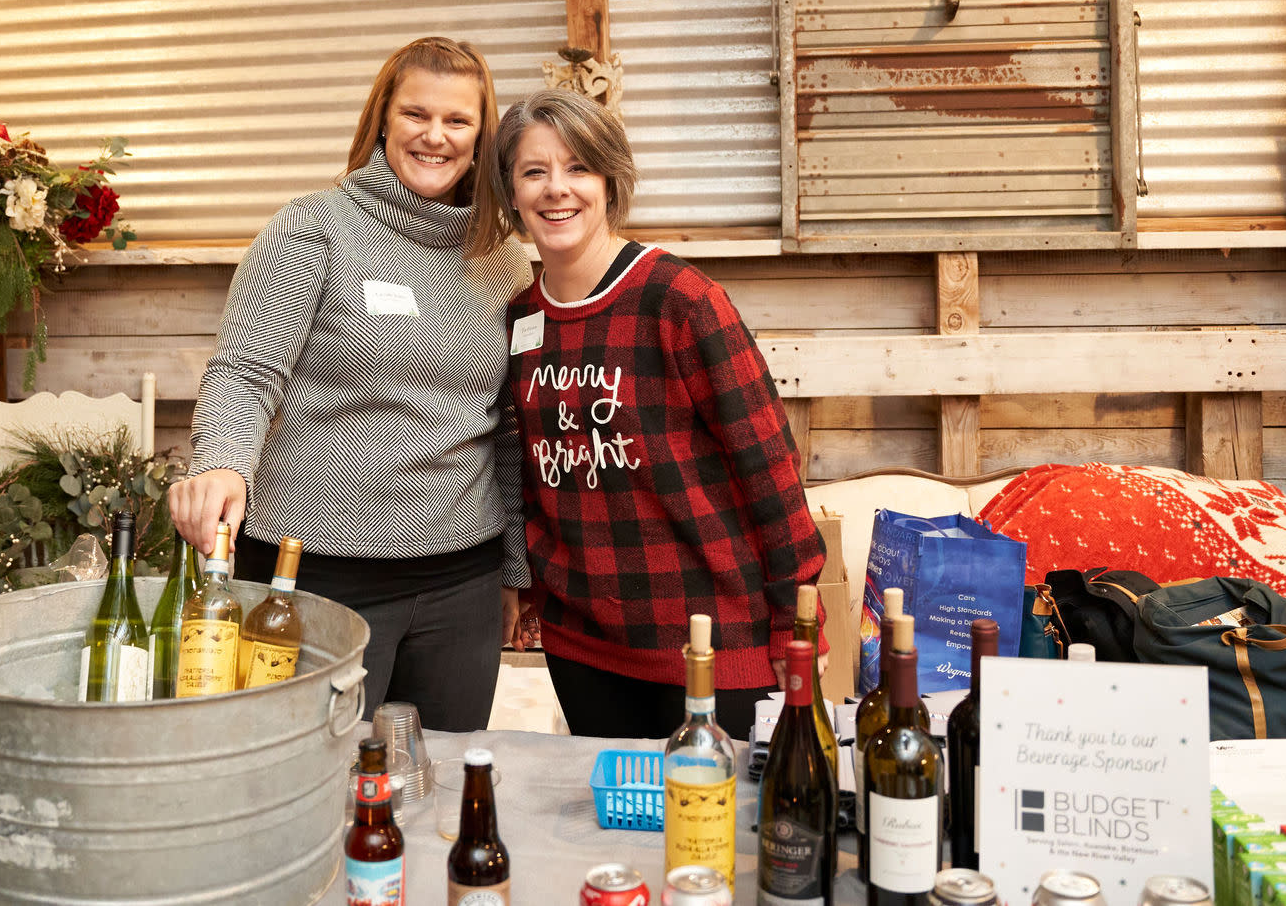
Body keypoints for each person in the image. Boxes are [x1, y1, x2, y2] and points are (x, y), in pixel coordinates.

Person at [169, 37, 532, 732]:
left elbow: (508, 427)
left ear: (481, 137)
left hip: (463, 581)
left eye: (457, 120)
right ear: (382, 120)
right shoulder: (314, 228)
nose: (435, 135)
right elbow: (245, 373)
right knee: (306, 767)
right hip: (314, 575)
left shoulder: (503, 259)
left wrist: (513, 567)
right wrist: (221, 463)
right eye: (415, 114)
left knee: (435, 776)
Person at [490, 87, 826, 739]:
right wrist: (527, 587)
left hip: (709, 646)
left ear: (610, 181)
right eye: (534, 171)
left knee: (714, 807)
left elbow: (771, 474)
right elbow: (530, 476)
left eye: (578, 167)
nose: (557, 188)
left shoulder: (680, 301)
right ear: (511, 192)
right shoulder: (522, 318)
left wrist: (798, 631)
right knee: (610, 804)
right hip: (584, 649)